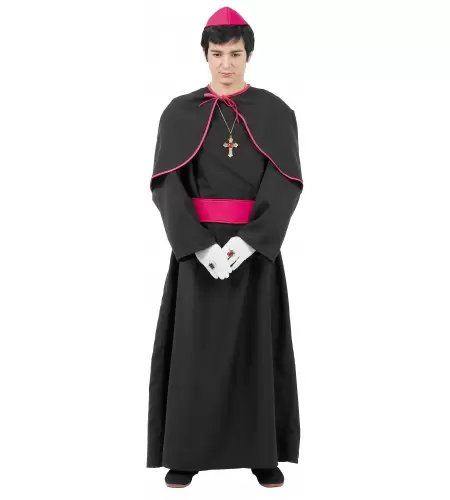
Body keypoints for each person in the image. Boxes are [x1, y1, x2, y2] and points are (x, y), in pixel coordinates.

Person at [146, 6, 304, 488]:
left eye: (235, 54)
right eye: (218, 54)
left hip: (253, 252)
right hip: (198, 253)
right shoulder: (179, 113)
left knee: (257, 349)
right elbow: (167, 185)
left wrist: (251, 242)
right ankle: (186, 454)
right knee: (194, 353)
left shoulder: (275, 113)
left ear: (248, 54)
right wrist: (197, 245)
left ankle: (261, 453)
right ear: (205, 55)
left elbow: (285, 181)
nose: (226, 64)